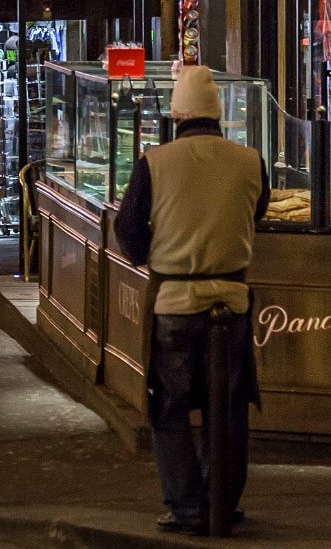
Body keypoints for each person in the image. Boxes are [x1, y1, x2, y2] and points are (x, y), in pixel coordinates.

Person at [116, 62, 268, 537]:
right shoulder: (250, 160)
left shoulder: (154, 163)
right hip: (233, 302)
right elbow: (257, 210)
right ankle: (222, 499)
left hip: (174, 303)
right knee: (230, 406)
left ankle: (185, 507)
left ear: (176, 114)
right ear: (218, 114)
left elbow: (128, 232)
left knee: (171, 407)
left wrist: (155, 255)